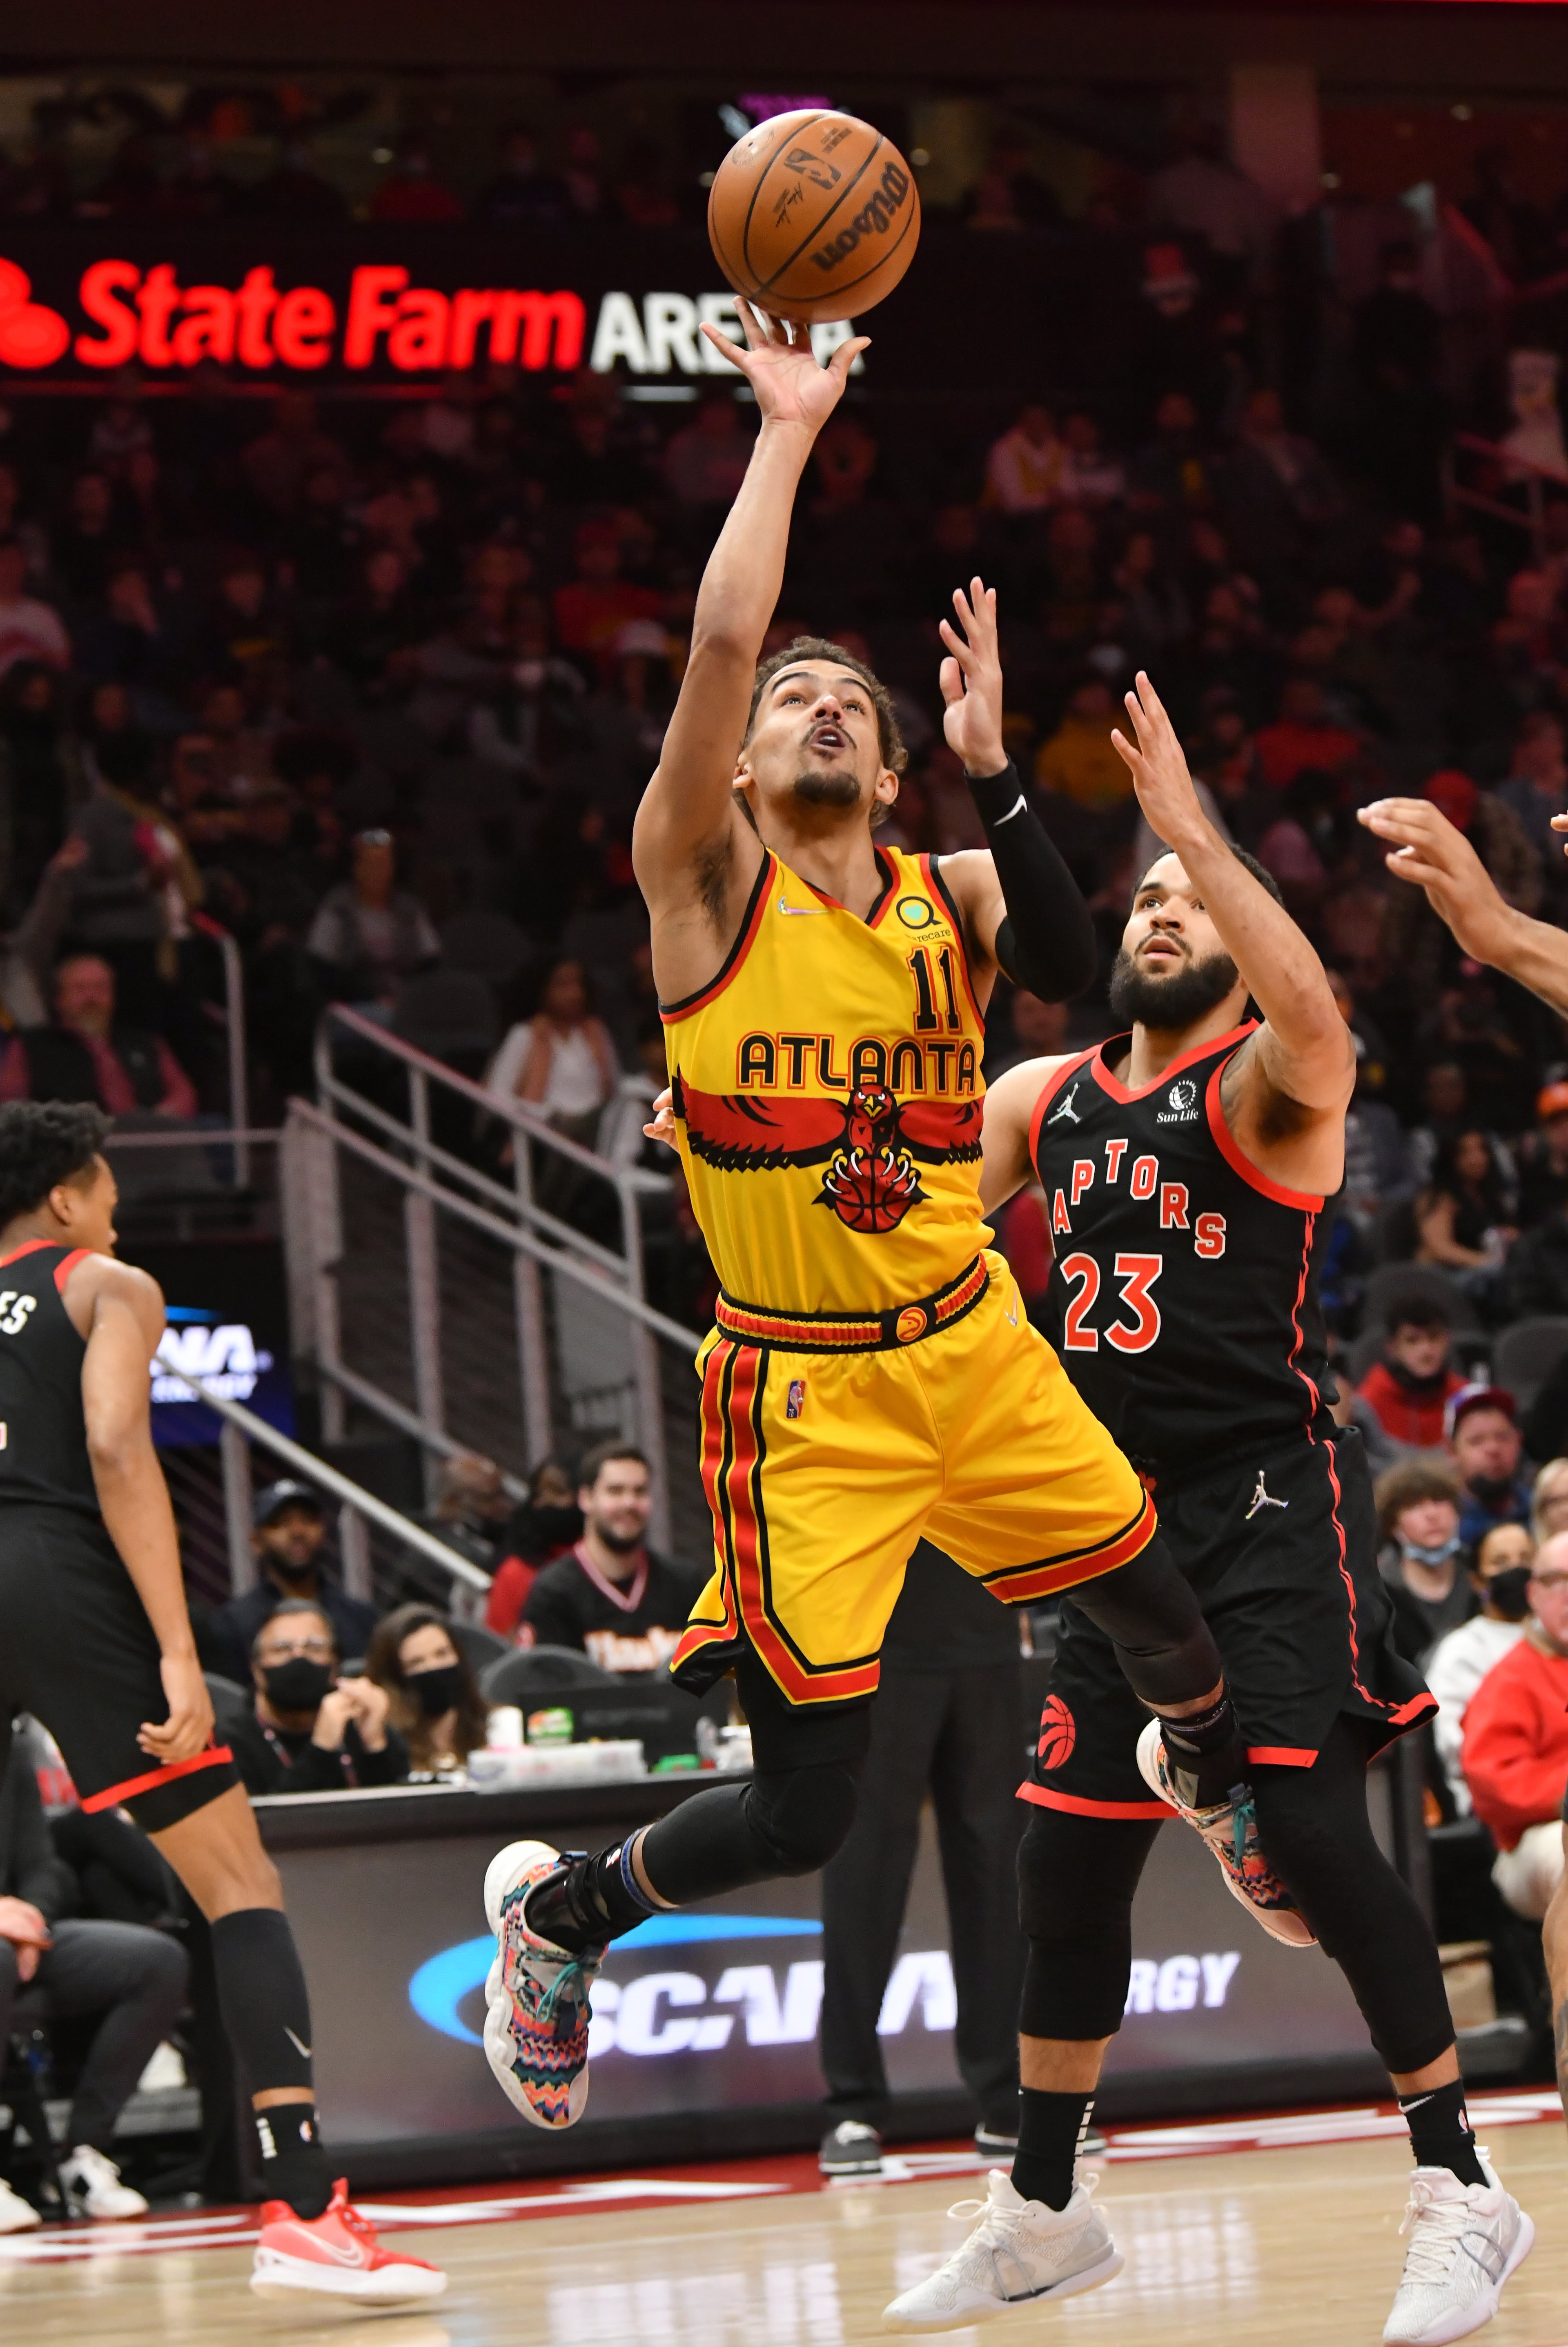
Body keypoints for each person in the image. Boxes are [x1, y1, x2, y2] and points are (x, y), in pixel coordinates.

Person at [482, 306, 1258, 2177]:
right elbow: (730, 635)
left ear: (891, 774)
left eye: (855, 705)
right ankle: (561, 1921)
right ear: (737, 777)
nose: (818, 707)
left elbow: (1083, 972)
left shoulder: (950, 885)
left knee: (1166, 1612)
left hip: (967, 1340)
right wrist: (786, 430)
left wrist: (998, 763)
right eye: (788, 709)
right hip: (803, 1397)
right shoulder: (704, 885)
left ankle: (1220, 1788)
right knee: (810, 1811)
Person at [941, 670, 1531, 2345]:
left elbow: (1321, 1006)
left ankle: (1459, 2186)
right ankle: (1045, 2205)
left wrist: (1192, 818)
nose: (1161, 910)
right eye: (1145, 894)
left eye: (1191, 897)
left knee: (1324, 1832)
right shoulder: (1038, 1101)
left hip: (1265, 1497)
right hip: (1102, 1517)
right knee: (1063, 1871)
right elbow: (904, 1218)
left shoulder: (1274, 1084)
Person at [0, 1101, 441, 2301]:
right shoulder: (107, 1282)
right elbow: (113, 1440)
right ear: (66, 1197)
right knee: (239, 1885)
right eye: (108, 1190)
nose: (117, 1210)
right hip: (57, 1573)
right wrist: (183, 1650)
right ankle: (303, 2209)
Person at [817, 1541, 1026, 2177]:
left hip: (985, 1636)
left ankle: (1007, 2095)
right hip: (875, 1646)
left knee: (996, 1871)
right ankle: (851, 2103)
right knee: (865, 1872)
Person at [0, 1733, 187, 2227]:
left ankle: (80, 2155)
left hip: (16, 1937)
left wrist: (33, 1918)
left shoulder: (11, 1746)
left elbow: (41, 1862)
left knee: (155, 1960)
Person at [1461, 1531, 1568, 1920]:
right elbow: (1493, 1784)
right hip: (1535, 1838)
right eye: (1559, 1581)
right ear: (1533, 1593)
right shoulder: (1512, 1677)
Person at [518, 1442, 697, 1673]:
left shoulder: (685, 1583)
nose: (629, 1503)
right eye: (615, 1491)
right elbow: (545, 1692)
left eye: (640, 1492)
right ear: (586, 1499)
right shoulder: (554, 1593)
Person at [208, 1480, 379, 1688]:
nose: (297, 1531)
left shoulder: (362, 1617)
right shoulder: (230, 1624)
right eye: (280, 1523)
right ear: (256, 1540)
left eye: (308, 1520)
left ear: (324, 1530)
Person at [227, 1601, 406, 1797]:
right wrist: (321, 1748)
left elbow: (404, 1818)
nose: (299, 1657)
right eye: (282, 1649)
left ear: (335, 1666)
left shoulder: (360, 1725)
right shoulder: (232, 1743)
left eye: (314, 1647)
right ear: (257, 1670)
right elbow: (268, 1824)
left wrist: (376, 1748)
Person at [0, 954, 197, 1118]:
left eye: (100, 988)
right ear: (60, 999)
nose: (91, 998)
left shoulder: (146, 1044)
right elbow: (9, 1104)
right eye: (80, 989)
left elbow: (183, 1093)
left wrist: (158, 1118)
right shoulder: (31, 1046)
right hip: (69, 1149)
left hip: (148, 1145)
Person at [1427, 1522, 1533, 1818]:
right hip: (1490, 1805)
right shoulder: (1461, 1649)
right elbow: (1448, 1741)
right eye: (1501, 1562)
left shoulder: (1556, 1638)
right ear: (1477, 1580)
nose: (1517, 1569)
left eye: (1526, 1559)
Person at [485, 958, 619, 1144]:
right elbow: (497, 1096)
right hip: (544, 1131)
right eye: (562, 985)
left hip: (594, 1130)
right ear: (542, 990)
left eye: (578, 984)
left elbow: (615, 1088)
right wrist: (540, 1115)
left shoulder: (595, 1032)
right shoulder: (525, 1034)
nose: (575, 994)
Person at [305, 829, 439, 1012]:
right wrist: (371, 998)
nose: (379, 870)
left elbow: (430, 962)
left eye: (384, 863)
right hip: (355, 1007)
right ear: (356, 867)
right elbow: (322, 969)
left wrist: (407, 998)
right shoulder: (337, 907)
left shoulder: (410, 909)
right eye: (372, 863)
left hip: (407, 1003)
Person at [365, 1603, 490, 1778]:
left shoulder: (497, 1727)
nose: (434, 1667)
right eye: (417, 1663)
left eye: (442, 1654)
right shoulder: (388, 1749)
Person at [1374, 1460, 1476, 1665]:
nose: (1431, 1515)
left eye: (1439, 1501)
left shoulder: (1479, 1575)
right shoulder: (1377, 1592)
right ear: (1394, 1524)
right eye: (1414, 1506)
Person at [483, 1458, 581, 1640]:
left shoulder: (612, 1564)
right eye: (539, 1493)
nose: (545, 1501)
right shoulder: (517, 1572)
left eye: (559, 1492)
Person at [1358, 1299, 1463, 1454]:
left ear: (1447, 1342)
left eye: (1434, 1338)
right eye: (1412, 1341)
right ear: (1393, 1349)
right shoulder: (1368, 1402)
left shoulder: (1466, 1398)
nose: (1426, 1351)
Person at [1445, 1385, 1531, 1551]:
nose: (1493, 1449)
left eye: (1502, 1437)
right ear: (1452, 1451)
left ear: (1519, 1442)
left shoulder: (1541, 1511)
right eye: (1477, 1441)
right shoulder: (1443, 1527)